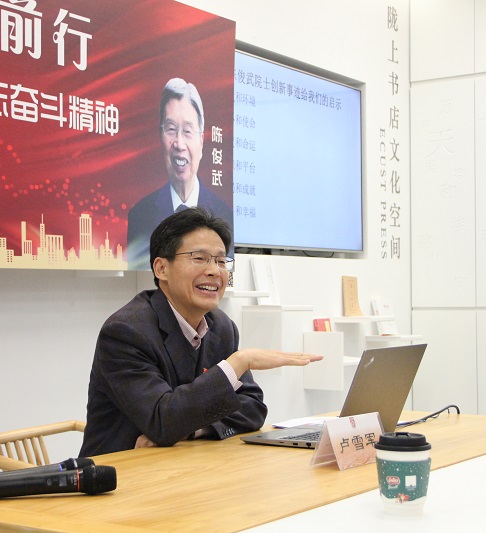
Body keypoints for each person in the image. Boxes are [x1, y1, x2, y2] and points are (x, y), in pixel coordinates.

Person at [79, 208, 322, 456]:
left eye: (220, 261)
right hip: (120, 471)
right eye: (199, 258)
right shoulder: (126, 332)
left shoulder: (221, 326)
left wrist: (191, 430)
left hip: (186, 462)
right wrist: (237, 363)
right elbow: (162, 420)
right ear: (161, 268)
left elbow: (252, 409)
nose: (214, 271)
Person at [126, 78, 232, 271]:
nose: (179, 144)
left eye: (187, 131)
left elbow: (226, 272)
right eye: (171, 130)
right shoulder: (140, 216)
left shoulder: (225, 215)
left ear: (201, 142)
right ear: (160, 137)